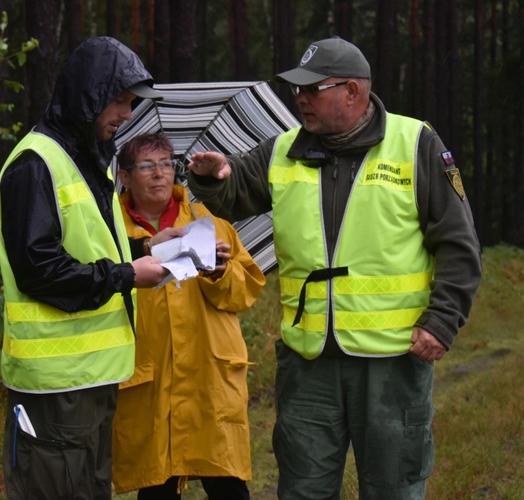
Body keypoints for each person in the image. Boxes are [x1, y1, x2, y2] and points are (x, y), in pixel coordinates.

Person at [187, 37, 482, 499]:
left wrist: (443, 321)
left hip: (393, 362)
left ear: (353, 91)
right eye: (296, 90)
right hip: (308, 364)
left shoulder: (415, 143)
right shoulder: (283, 149)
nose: (300, 98)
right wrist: (211, 177)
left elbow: (459, 244)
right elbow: (234, 191)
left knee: (393, 488)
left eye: (312, 88)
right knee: (303, 488)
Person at [0, 36, 170, 500]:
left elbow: (94, 248)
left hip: (93, 378)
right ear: (89, 95)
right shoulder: (35, 164)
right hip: (54, 386)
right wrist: (128, 276)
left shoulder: (90, 161)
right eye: (120, 101)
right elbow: (40, 270)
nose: (127, 115)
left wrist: (149, 246)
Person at [110, 133, 266, 499]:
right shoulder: (109, 230)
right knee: (156, 485)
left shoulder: (208, 223)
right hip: (148, 376)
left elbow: (246, 291)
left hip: (208, 377)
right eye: (147, 166)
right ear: (125, 177)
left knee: (228, 484)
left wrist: (220, 274)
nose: (160, 174)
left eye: (166, 164)